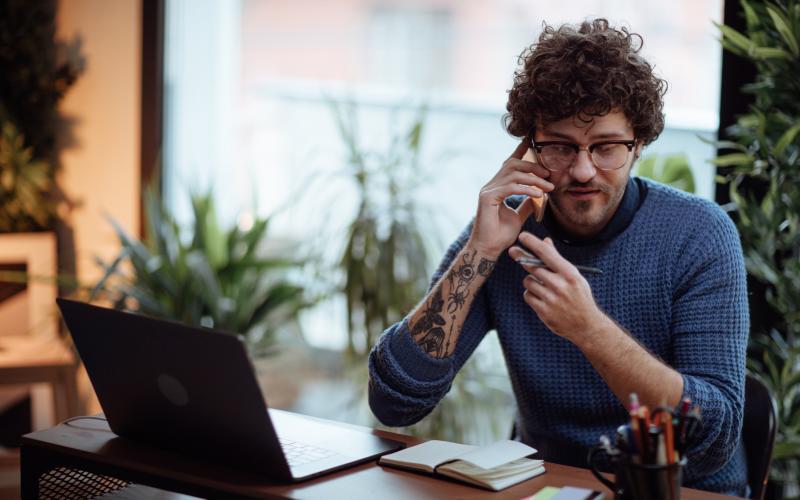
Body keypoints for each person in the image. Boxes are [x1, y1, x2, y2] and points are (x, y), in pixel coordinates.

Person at [367, 18, 748, 495]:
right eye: (561, 148)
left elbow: (715, 437)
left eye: (607, 147)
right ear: (529, 148)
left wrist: (589, 330)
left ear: (640, 143)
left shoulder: (699, 234)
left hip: (682, 491)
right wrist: (481, 251)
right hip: (550, 489)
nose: (583, 170)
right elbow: (393, 403)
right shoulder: (504, 235)